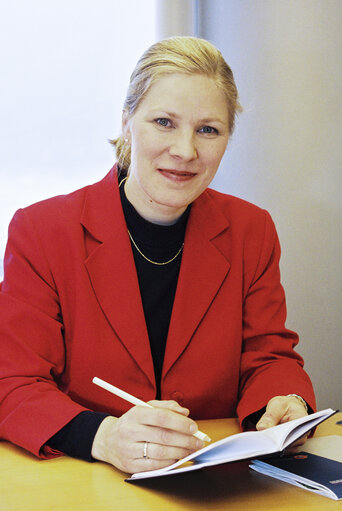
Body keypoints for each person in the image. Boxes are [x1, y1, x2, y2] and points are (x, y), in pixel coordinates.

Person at [0, 36, 315, 474]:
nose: (186, 151)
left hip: (217, 484)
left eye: (208, 129)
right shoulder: (42, 231)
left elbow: (268, 356)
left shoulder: (251, 229)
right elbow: (13, 384)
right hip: (85, 481)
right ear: (127, 119)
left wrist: (284, 400)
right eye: (164, 122)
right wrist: (104, 437)